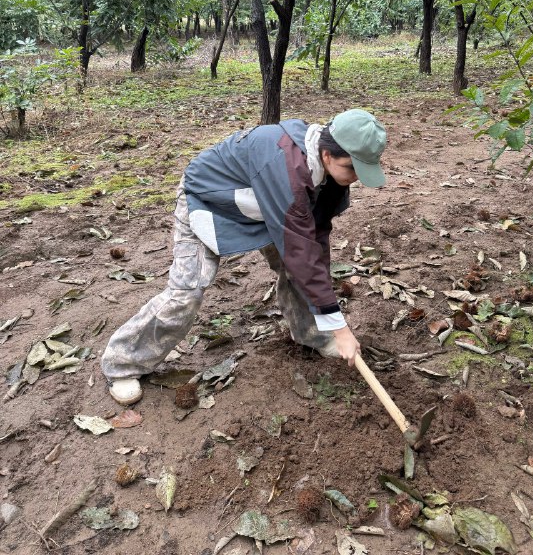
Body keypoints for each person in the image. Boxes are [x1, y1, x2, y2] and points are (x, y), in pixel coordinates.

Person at [101, 108, 387, 405]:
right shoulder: (284, 164)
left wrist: (330, 319)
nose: (356, 178)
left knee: (302, 267)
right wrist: (341, 327)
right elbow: (300, 249)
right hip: (209, 200)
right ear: (327, 155)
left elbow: (314, 241)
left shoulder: (329, 176)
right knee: (186, 292)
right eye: (352, 168)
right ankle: (122, 364)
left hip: (268, 209)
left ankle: (311, 333)